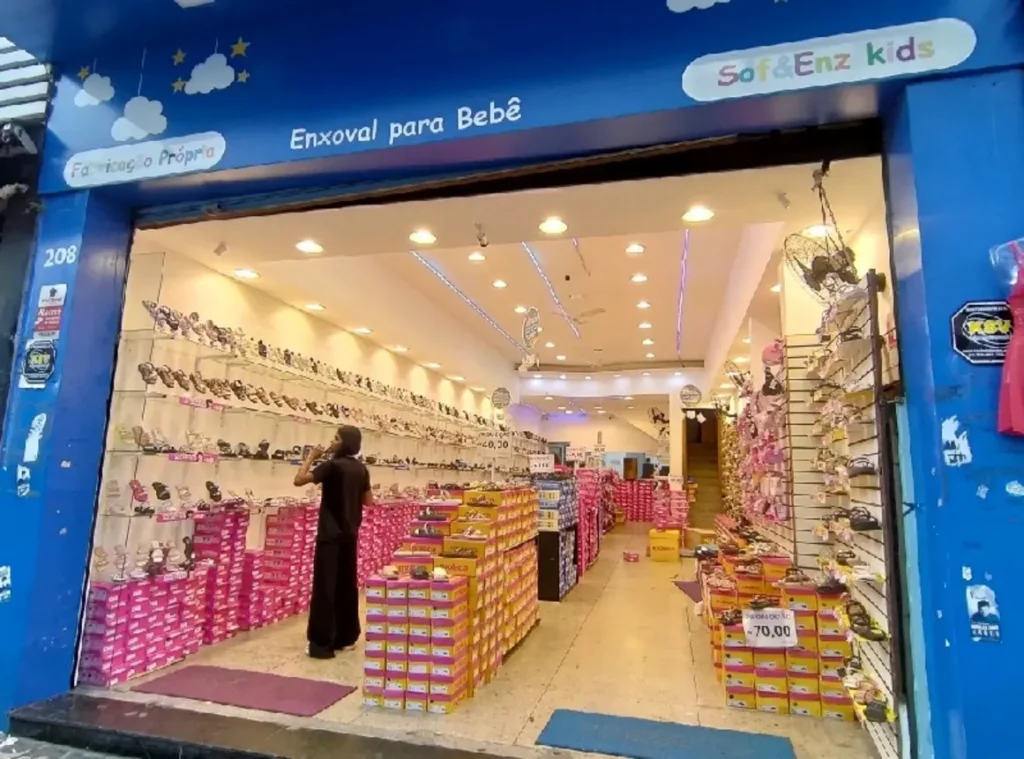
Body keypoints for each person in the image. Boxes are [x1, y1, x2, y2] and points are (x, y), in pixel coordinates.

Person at [293, 425, 371, 659]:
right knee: (346, 585)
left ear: (344, 442)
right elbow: (369, 501)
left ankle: (322, 643)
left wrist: (311, 456)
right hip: (350, 534)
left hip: (329, 535)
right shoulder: (361, 469)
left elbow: (299, 480)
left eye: (336, 438)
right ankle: (346, 637)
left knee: (325, 588)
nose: (332, 441)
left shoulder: (332, 466)